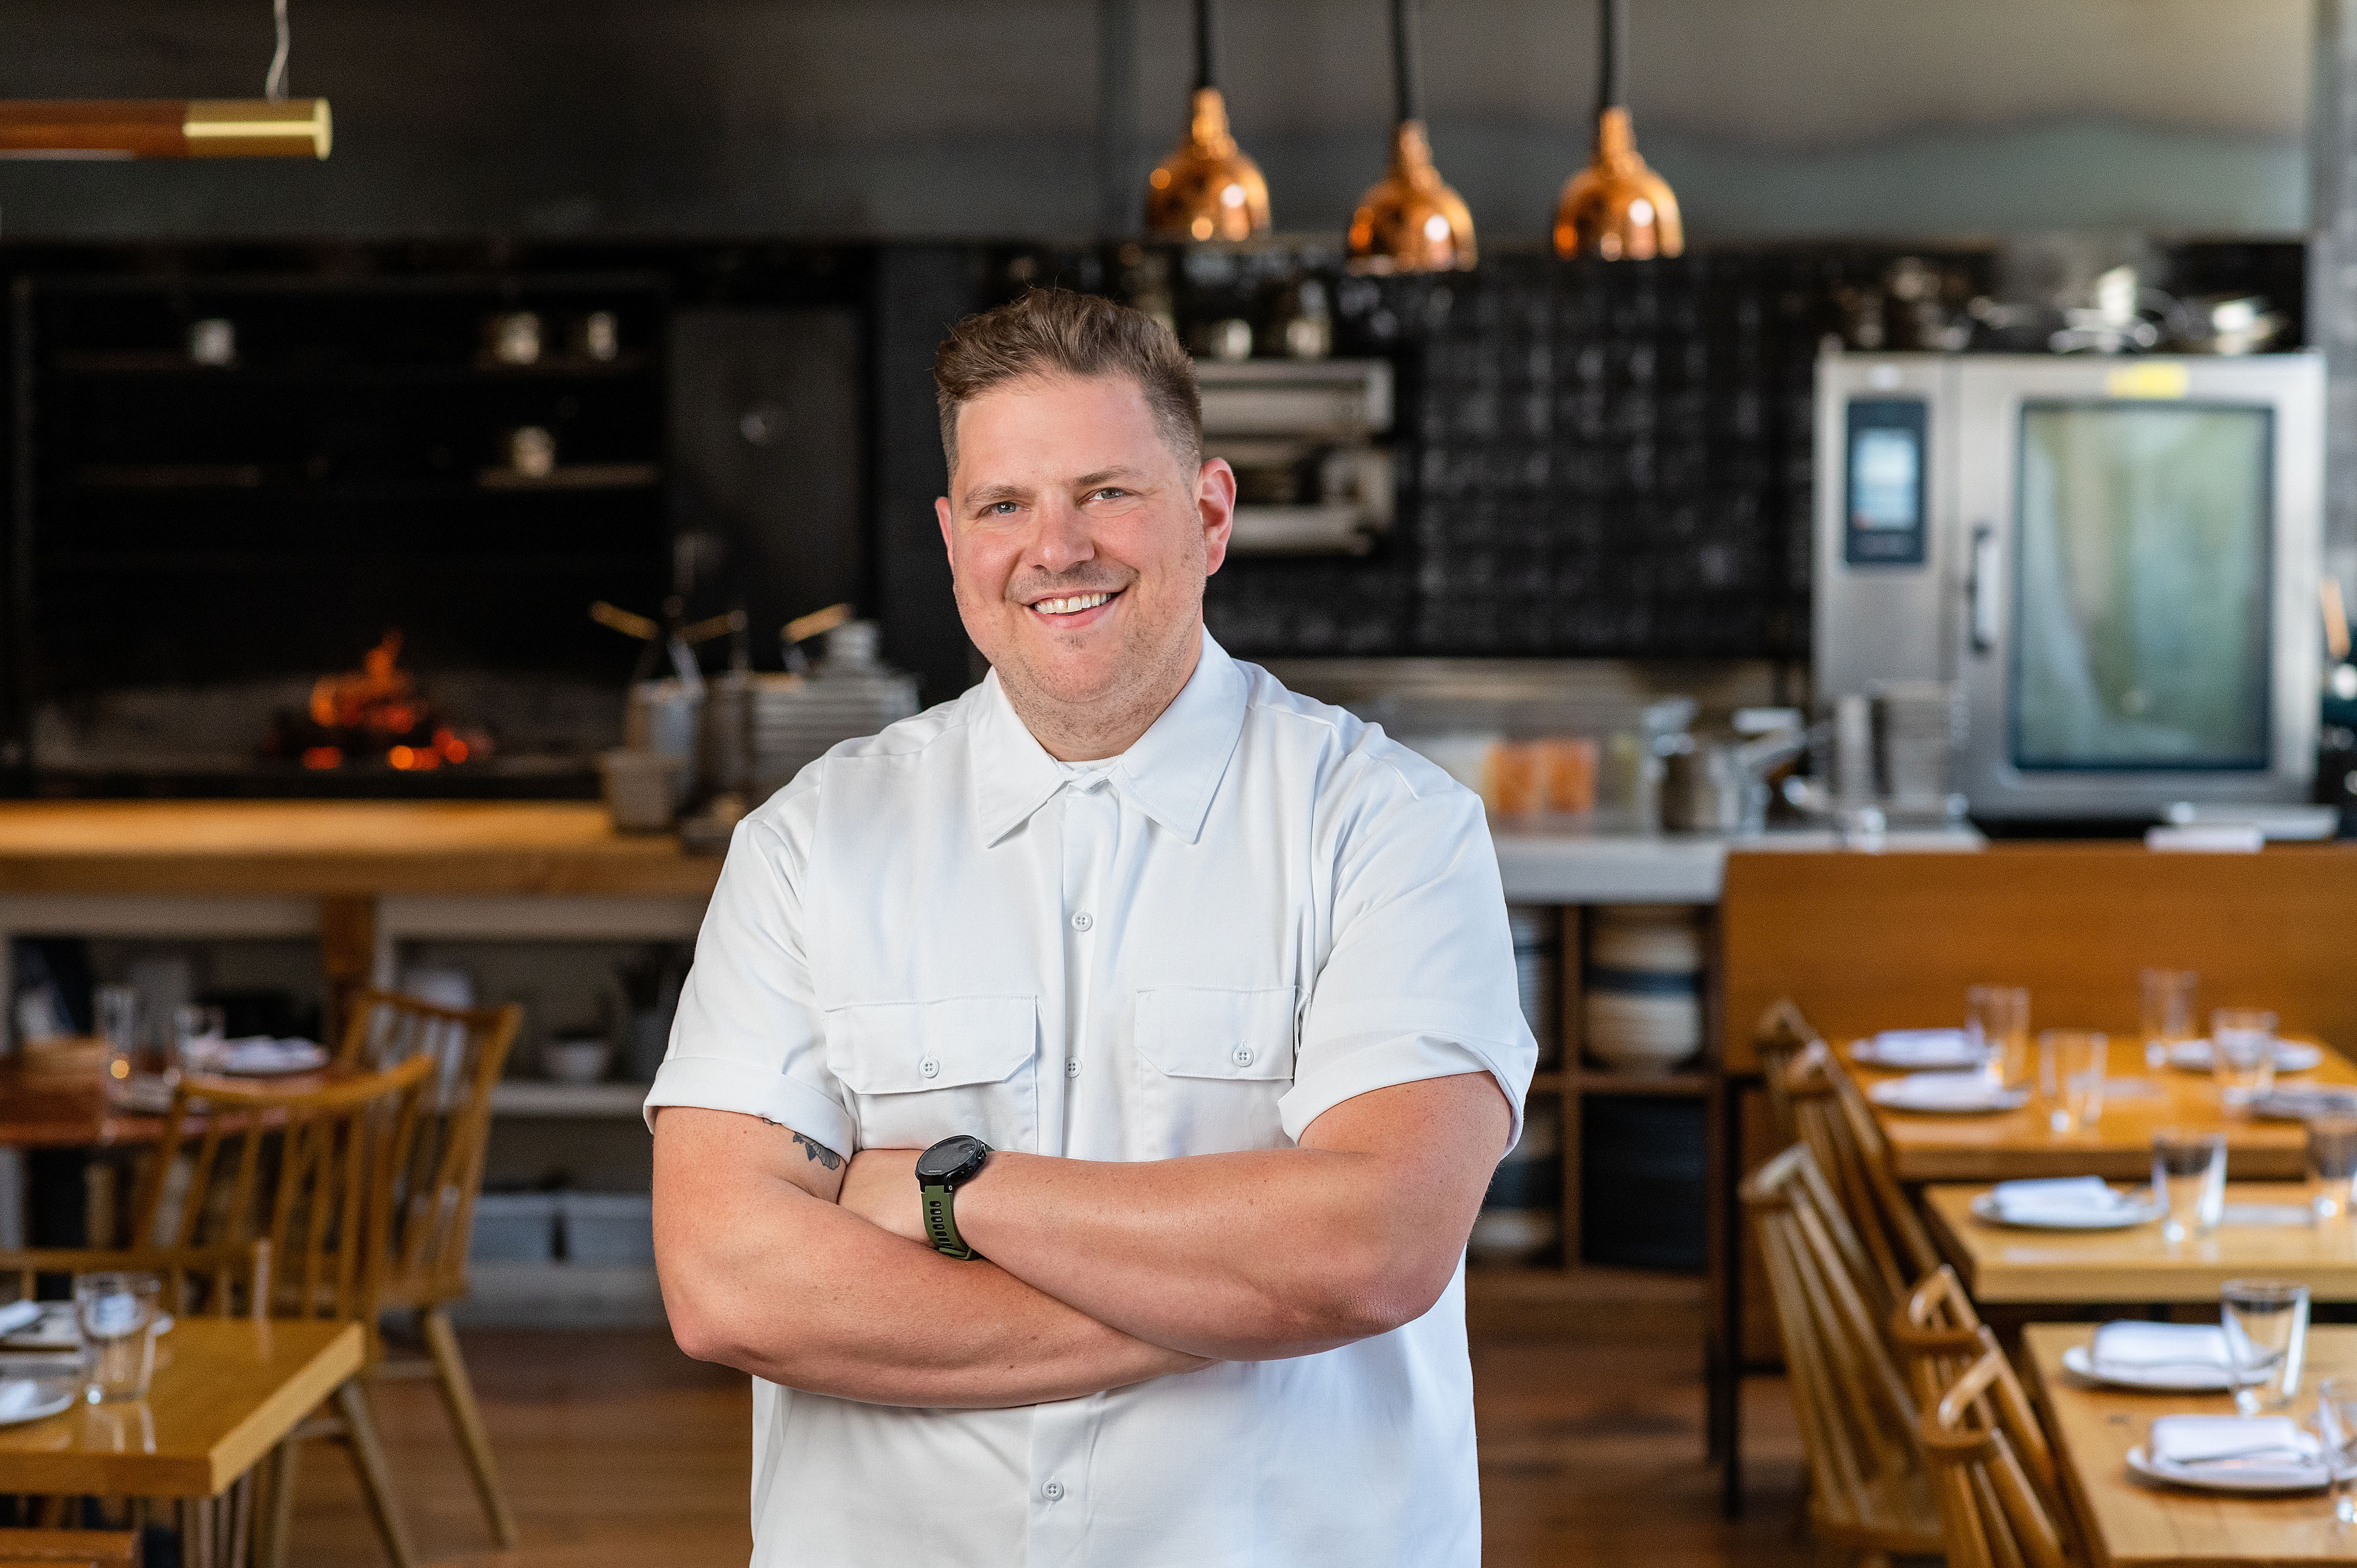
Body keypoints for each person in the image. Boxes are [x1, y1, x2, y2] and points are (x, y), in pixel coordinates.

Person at [647, 287, 1535, 1567]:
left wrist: (949, 1197)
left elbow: (1374, 1247)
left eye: (1107, 491)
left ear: (1211, 514)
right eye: (1006, 506)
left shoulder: (1391, 827)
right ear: (956, 542)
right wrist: (1241, 1292)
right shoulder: (807, 847)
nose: (1055, 546)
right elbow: (725, 1279)